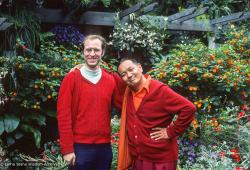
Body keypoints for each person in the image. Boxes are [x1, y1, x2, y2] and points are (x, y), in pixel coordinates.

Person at [116, 58, 196, 170]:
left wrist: (170, 131)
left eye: (131, 69)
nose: (129, 75)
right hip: (138, 158)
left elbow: (189, 108)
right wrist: (84, 67)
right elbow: (108, 77)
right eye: (123, 74)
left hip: (160, 160)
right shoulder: (127, 92)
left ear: (139, 67)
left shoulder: (160, 90)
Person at [57, 35, 122, 170]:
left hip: (104, 148)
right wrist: (67, 149)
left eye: (96, 50)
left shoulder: (110, 79)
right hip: (80, 147)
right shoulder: (71, 78)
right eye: (88, 50)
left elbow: (125, 101)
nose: (92, 54)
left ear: (102, 52)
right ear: (83, 52)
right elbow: (63, 116)